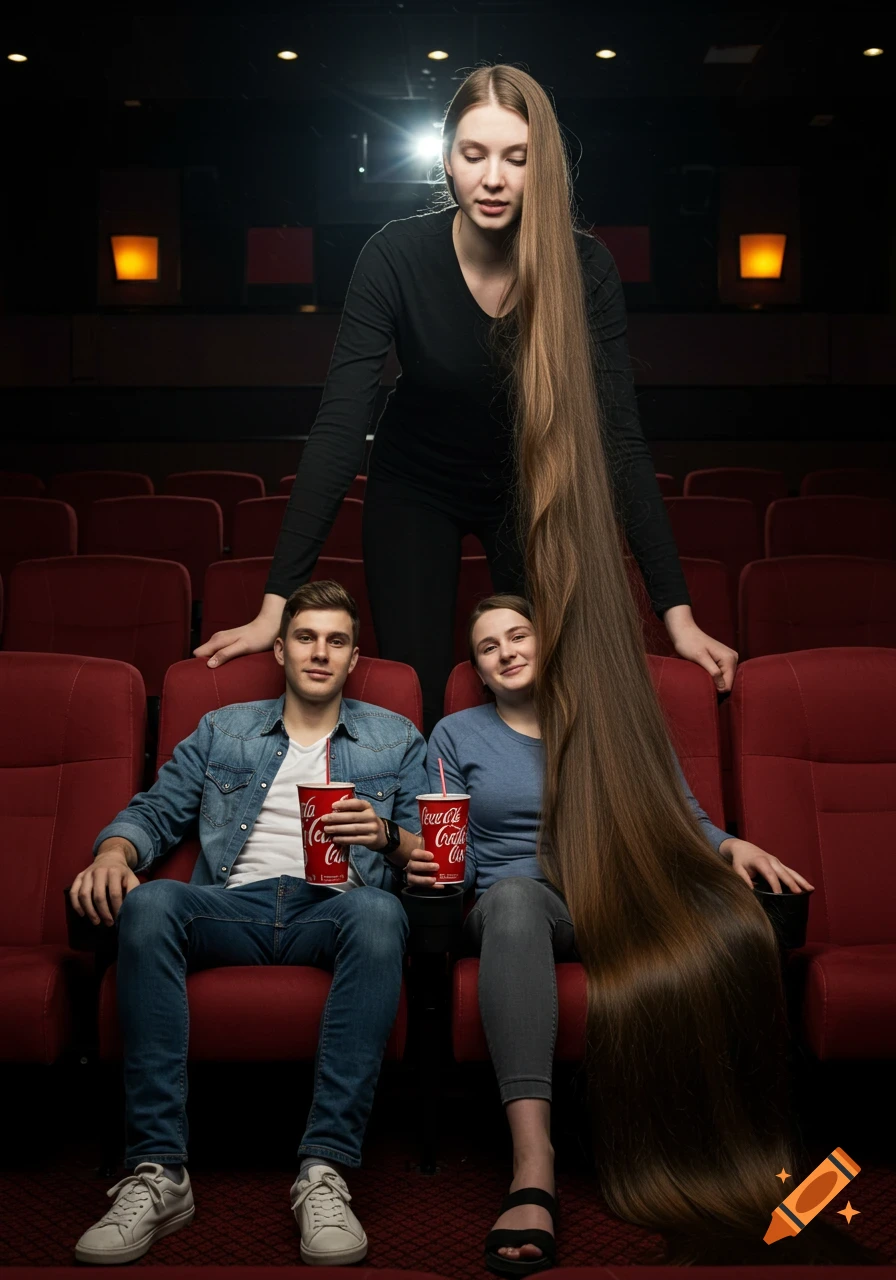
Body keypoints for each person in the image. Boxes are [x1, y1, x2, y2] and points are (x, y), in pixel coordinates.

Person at [193, 64, 737, 737]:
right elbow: (339, 429)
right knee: (415, 690)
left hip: (528, 485)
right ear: (447, 159)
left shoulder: (585, 268)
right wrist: (277, 605)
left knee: (538, 689)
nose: (494, 178)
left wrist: (675, 614)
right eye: (474, 154)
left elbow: (618, 441)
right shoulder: (393, 255)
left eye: (517, 158)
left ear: (543, 168)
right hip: (415, 485)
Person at [414, 595, 814, 1275]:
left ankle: (714, 1148)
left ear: (546, 645)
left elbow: (676, 809)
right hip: (520, 904)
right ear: (478, 670)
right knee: (512, 900)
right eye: (489, 646)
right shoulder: (455, 735)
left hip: (614, 896)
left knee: (730, 921)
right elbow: (457, 853)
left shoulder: (609, 719)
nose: (508, 651)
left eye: (519, 636)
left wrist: (728, 847)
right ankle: (533, 1167)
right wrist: (431, 871)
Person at [69, 580, 427, 1267]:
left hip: (336, 911)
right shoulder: (223, 729)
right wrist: (114, 853)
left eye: (337, 641)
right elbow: (155, 810)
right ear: (282, 649)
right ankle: (159, 1172)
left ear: (353, 659)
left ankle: (324, 1170)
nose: (320, 653)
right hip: (231, 904)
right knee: (149, 901)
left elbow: (433, 856)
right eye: (305, 637)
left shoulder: (395, 737)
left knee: (381, 912)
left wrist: (383, 835)